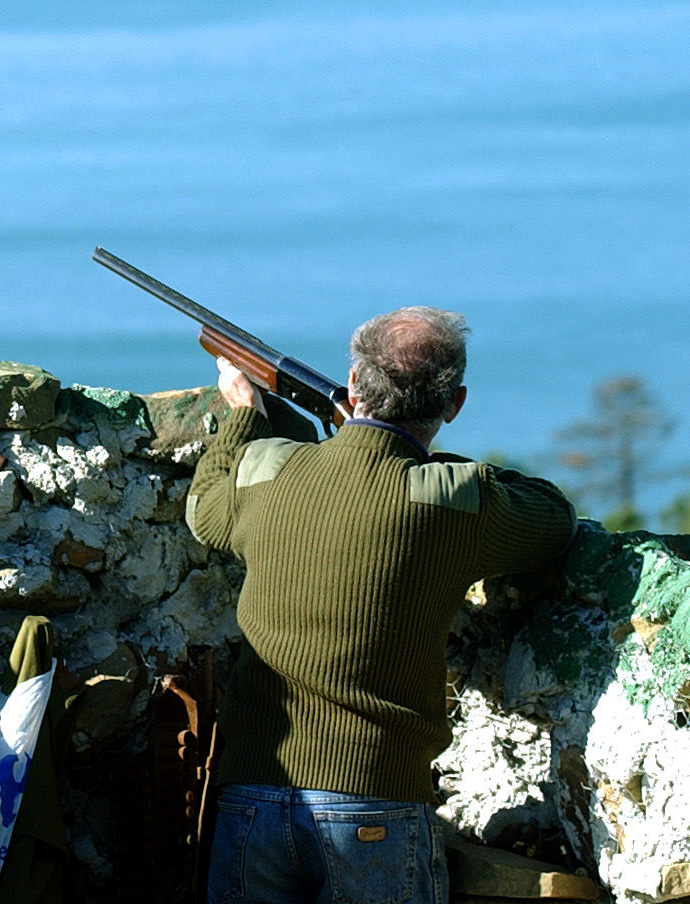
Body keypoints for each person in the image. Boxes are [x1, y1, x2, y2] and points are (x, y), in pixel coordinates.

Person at [187, 307, 576, 904]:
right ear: (454, 404)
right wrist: (436, 466)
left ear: (352, 381)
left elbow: (204, 510)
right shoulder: (451, 498)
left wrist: (244, 416)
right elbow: (552, 515)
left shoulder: (270, 471)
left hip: (252, 793)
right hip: (376, 800)